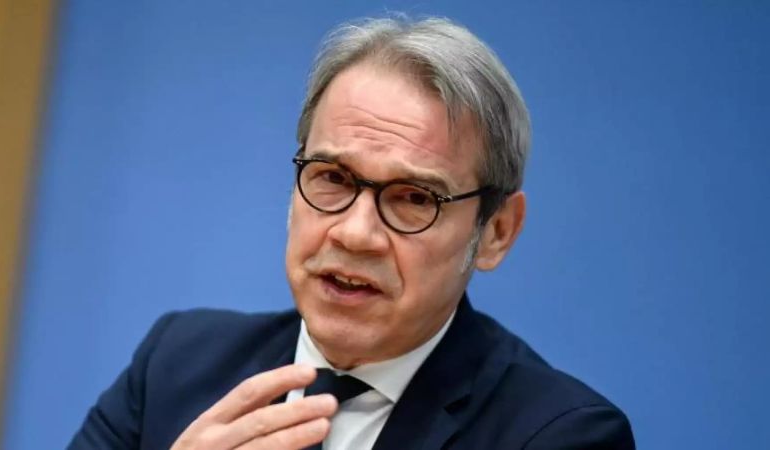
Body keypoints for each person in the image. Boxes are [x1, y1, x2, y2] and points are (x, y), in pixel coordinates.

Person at [69, 15, 635, 450]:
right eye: (333, 178)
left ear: (496, 233)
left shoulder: (557, 435)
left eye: (415, 198)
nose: (356, 233)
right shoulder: (176, 363)